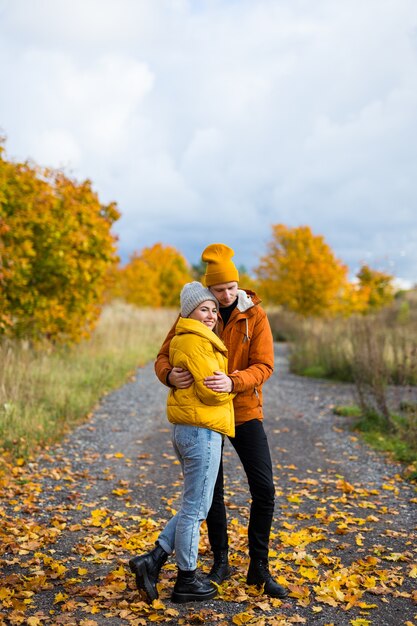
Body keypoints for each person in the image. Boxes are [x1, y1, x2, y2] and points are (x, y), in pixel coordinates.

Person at [154, 243, 288, 599]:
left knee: (265, 489)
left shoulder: (254, 315)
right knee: (212, 492)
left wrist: (234, 381)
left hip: (244, 410)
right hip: (206, 414)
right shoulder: (196, 310)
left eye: (230, 288)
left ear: (237, 285)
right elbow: (164, 354)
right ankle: (221, 561)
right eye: (218, 290)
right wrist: (168, 375)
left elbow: (265, 365)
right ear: (208, 289)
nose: (225, 295)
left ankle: (258, 569)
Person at [129, 281, 235, 604]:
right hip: (200, 430)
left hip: (191, 428)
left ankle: (154, 559)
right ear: (188, 311)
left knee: (194, 503)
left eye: (214, 310)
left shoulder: (189, 338)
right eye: (204, 309)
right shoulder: (195, 342)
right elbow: (210, 389)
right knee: (195, 508)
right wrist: (232, 387)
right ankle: (186, 578)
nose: (211, 315)